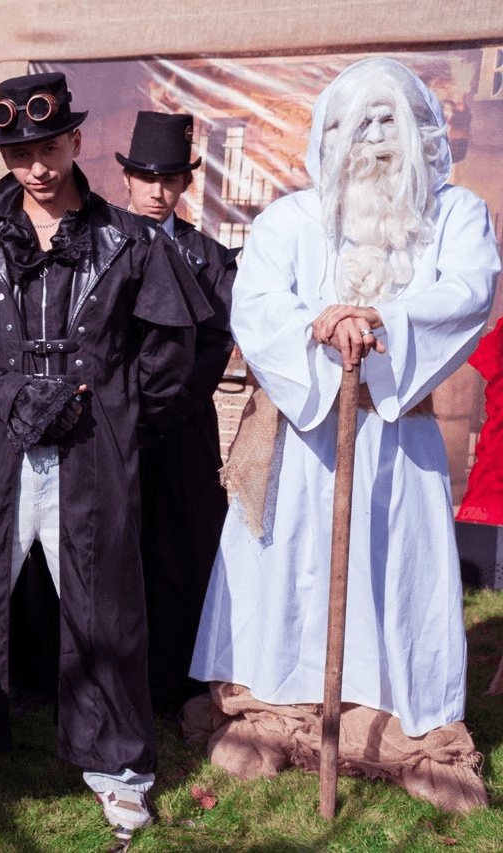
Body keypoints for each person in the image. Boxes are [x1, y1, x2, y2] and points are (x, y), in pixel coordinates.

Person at [188, 58, 498, 811]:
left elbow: (469, 290)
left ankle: (409, 726)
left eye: (392, 120)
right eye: (360, 123)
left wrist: (382, 320)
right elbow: (257, 304)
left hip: (397, 437)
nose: (377, 138)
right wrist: (317, 327)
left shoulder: (454, 214)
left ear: (422, 130)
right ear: (329, 136)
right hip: (297, 439)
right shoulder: (290, 219)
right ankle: (273, 709)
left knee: (398, 570)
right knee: (286, 568)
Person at [0, 72, 208, 836]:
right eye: (18, 154)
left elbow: (170, 353)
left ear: (76, 139)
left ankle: (118, 767)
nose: (35, 167)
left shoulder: (130, 240)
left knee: (105, 606)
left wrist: (116, 419)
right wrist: (4, 390)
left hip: (91, 455)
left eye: (47, 148)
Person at [116, 111, 235, 713]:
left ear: (186, 183)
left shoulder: (210, 257)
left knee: (188, 546)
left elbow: (215, 344)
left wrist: (173, 408)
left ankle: (184, 679)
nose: (158, 191)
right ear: (127, 179)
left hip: (185, 427)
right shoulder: (101, 243)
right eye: (146, 178)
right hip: (111, 424)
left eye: (169, 179)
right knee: (112, 546)